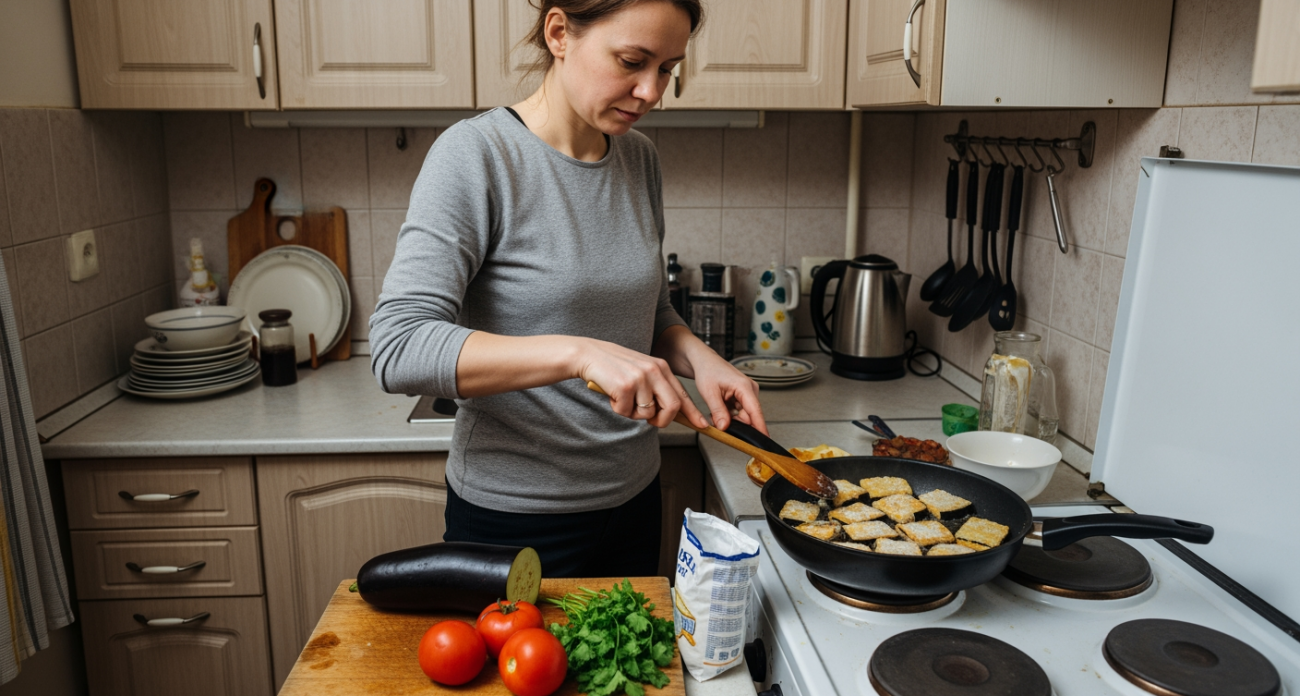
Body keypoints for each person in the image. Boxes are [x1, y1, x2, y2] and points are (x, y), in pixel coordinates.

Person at [369, 0, 766, 578]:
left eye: (668, 69)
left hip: (633, 497)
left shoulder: (639, 158)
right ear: (559, 33)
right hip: (514, 520)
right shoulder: (477, 155)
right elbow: (398, 347)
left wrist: (702, 359)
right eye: (633, 60)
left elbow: (647, 309)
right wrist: (579, 352)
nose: (652, 90)